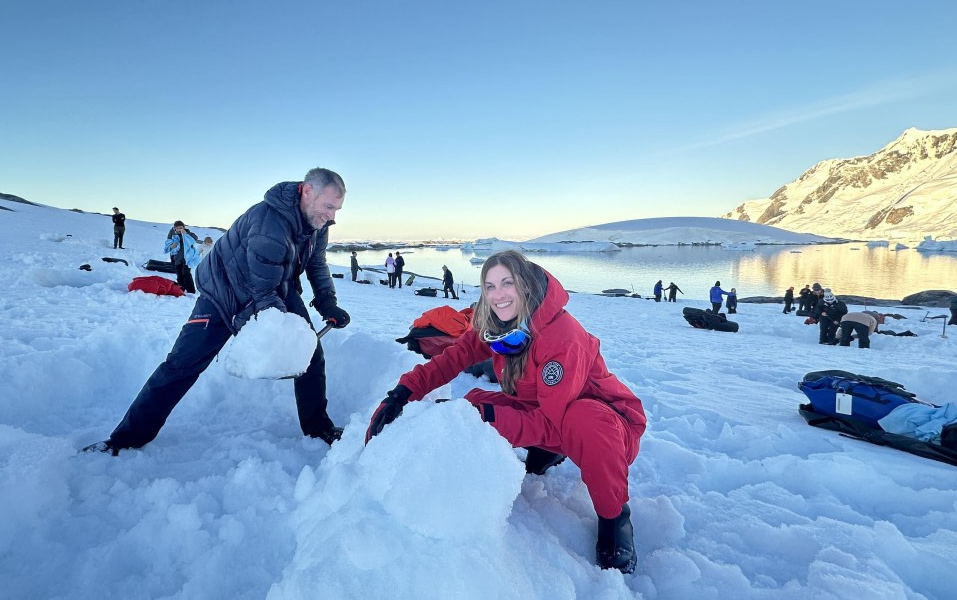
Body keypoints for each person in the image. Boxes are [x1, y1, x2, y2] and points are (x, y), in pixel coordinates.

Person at [365, 251, 645, 573]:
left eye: (507, 283)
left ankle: (615, 518)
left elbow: (552, 421)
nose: (498, 295)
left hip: (611, 426)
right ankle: (548, 451)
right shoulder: (499, 323)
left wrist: (486, 419)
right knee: (472, 404)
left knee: (581, 421)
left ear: (524, 285)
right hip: (549, 409)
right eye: (490, 286)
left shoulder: (561, 338)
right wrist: (403, 392)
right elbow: (453, 358)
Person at [83, 168, 350, 455]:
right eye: (329, 206)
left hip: (274, 285)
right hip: (223, 295)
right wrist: (277, 336)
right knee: (181, 365)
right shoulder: (268, 223)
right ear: (307, 191)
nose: (332, 216)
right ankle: (125, 439)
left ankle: (318, 428)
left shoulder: (316, 223)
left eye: (336, 209)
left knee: (310, 352)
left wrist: (326, 301)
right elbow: (263, 293)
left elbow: (316, 263)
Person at [165, 221, 200, 294]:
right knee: (179, 274)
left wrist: (186, 234)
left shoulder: (188, 234)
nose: (179, 230)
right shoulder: (173, 236)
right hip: (177, 258)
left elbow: (195, 238)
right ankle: (181, 289)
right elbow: (167, 247)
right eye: (177, 228)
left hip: (187, 258)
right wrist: (171, 246)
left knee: (186, 273)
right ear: (174, 228)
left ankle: (191, 291)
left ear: (184, 228)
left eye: (181, 228)